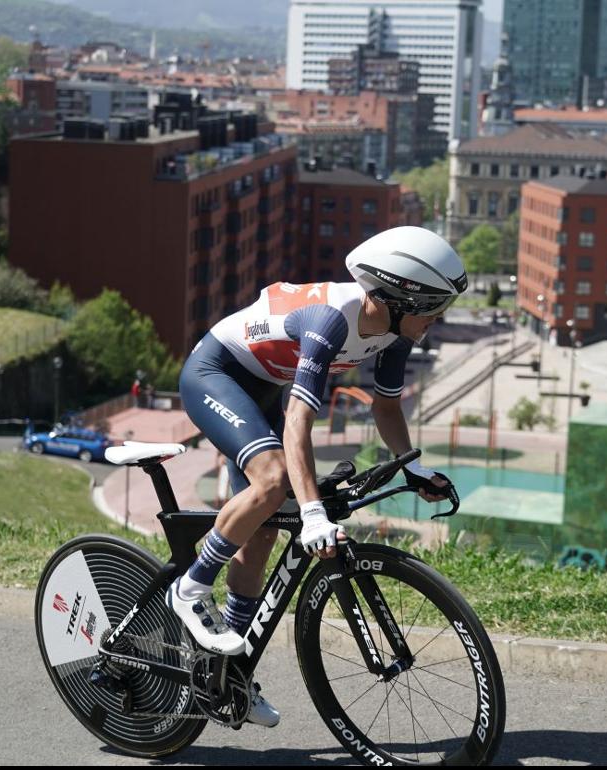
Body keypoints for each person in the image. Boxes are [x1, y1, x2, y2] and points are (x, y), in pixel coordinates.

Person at [170, 226, 464, 726]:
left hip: (262, 385)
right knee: (272, 479)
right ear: (396, 297)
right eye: (433, 308)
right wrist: (311, 515)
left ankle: (225, 674)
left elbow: (386, 406)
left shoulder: (395, 333)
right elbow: (298, 424)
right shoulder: (329, 323)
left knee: (262, 533)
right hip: (216, 372)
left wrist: (413, 467)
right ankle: (191, 588)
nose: (437, 320)